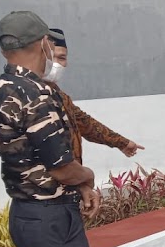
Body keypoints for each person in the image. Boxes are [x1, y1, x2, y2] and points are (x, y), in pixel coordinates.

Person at [0, 11, 101, 247]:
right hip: (52, 217)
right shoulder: (37, 94)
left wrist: (81, 185)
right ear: (44, 44)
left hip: (25, 215)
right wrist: (87, 176)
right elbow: (61, 168)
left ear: (3, 49)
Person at [44, 28, 144, 164]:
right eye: (50, 57)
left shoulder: (60, 97)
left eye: (61, 58)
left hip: (70, 178)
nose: (55, 64)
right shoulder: (27, 96)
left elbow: (85, 123)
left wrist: (122, 142)